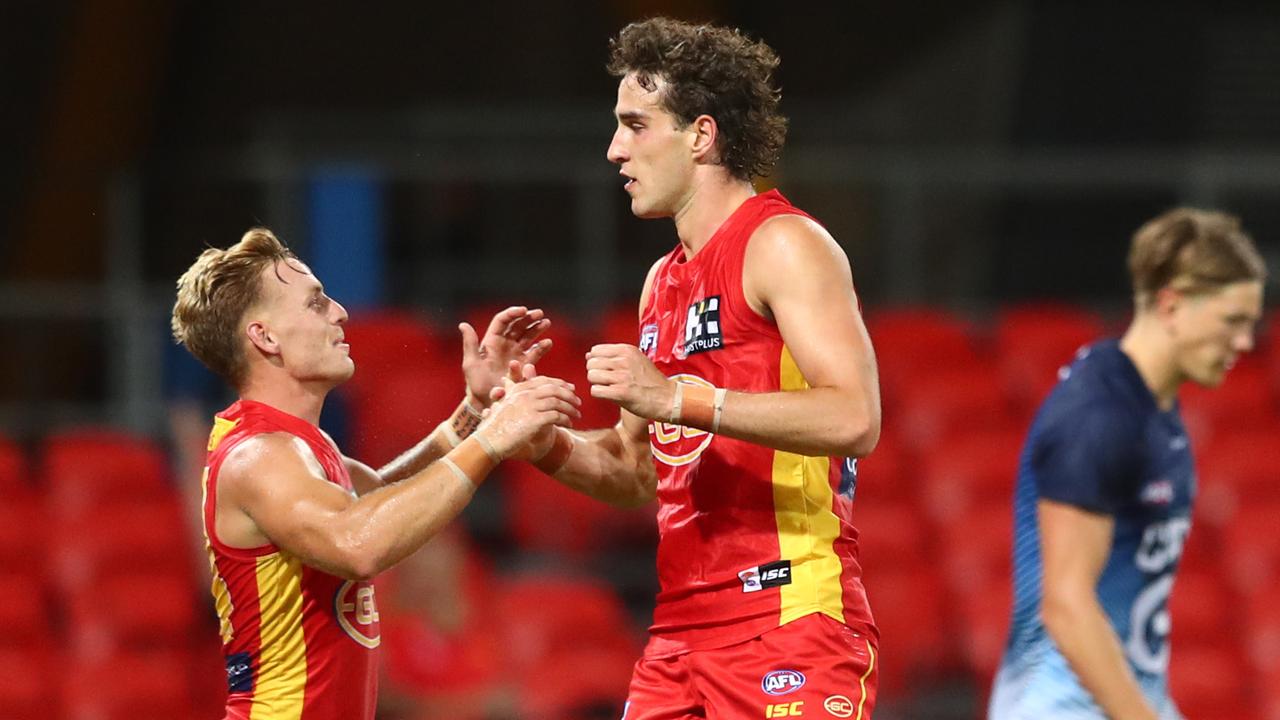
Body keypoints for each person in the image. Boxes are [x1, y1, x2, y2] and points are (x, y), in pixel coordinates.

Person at [519, 17, 883, 720]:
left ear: (701, 135)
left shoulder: (785, 243)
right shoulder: (662, 281)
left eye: (635, 125)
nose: (614, 149)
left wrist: (686, 398)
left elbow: (856, 416)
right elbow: (637, 474)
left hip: (789, 625)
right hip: (678, 642)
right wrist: (530, 433)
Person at [170, 228, 580, 720]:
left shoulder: (300, 447)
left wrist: (476, 412)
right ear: (265, 336)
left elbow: (386, 497)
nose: (340, 312)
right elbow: (359, 544)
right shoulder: (258, 455)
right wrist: (491, 443)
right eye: (316, 303)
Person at [989, 208, 1267, 719]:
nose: (1246, 343)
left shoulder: (1152, 405)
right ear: (1171, 305)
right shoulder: (1096, 416)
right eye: (1233, 321)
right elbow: (1067, 606)